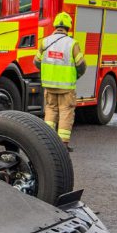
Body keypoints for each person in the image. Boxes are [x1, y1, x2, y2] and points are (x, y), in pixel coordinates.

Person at [34, 11, 85, 149]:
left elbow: (37, 62)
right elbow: (81, 65)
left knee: (50, 110)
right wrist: (76, 75)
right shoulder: (72, 44)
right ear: (68, 27)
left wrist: (48, 72)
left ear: (55, 26)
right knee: (65, 112)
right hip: (66, 88)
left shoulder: (45, 42)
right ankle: (63, 144)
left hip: (49, 85)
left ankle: (47, 141)